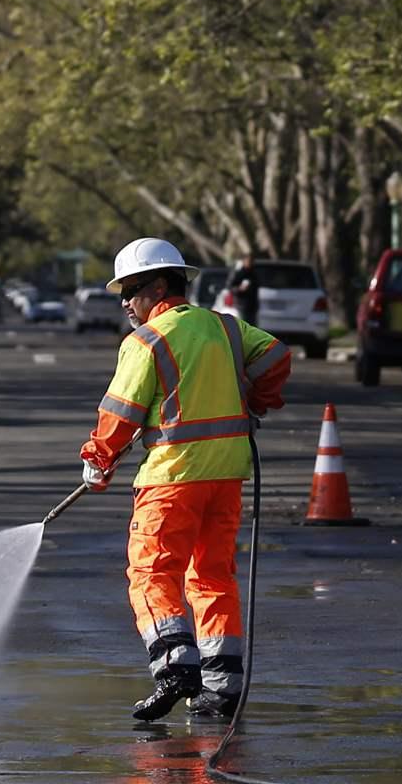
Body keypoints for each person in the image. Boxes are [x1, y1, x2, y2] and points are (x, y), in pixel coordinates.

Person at [79, 237, 292, 721]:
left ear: (158, 286)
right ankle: (221, 689)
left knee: (152, 572)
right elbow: (277, 356)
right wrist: (257, 397)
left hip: (172, 477)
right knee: (212, 576)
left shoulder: (147, 342)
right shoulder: (225, 327)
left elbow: (121, 411)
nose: (126, 304)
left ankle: (175, 665)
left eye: (130, 291)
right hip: (227, 474)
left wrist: (98, 458)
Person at [226, 254, 259, 325]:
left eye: (251, 261)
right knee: (243, 325)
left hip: (253, 305)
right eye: (248, 261)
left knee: (253, 327)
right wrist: (239, 289)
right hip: (242, 305)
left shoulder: (254, 274)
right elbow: (231, 287)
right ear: (244, 262)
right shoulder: (239, 273)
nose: (249, 263)